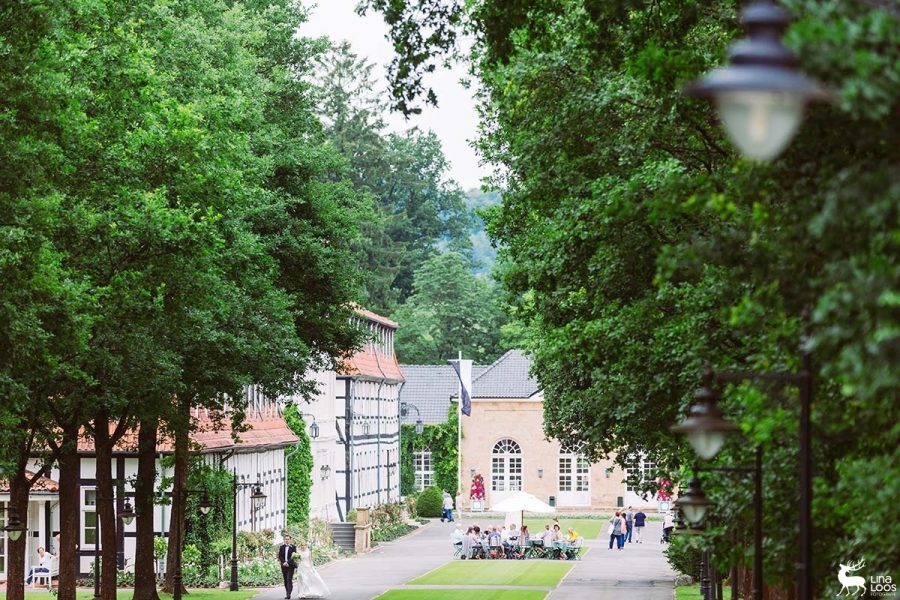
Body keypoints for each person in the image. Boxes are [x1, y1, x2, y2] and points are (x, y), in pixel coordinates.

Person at [277, 533, 297, 599]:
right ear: (284, 540)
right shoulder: (281, 547)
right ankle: (287, 592)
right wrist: (284, 562)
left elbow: (294, 557)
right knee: (285, 580)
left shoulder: (293, 547)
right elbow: (280, 556)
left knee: (289, 579)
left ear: (290, 540)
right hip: (283, 565)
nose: (287, 540)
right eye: (286, 539)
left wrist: (288, 562)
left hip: (291, 565)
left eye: (288, 539)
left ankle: (289, 593)